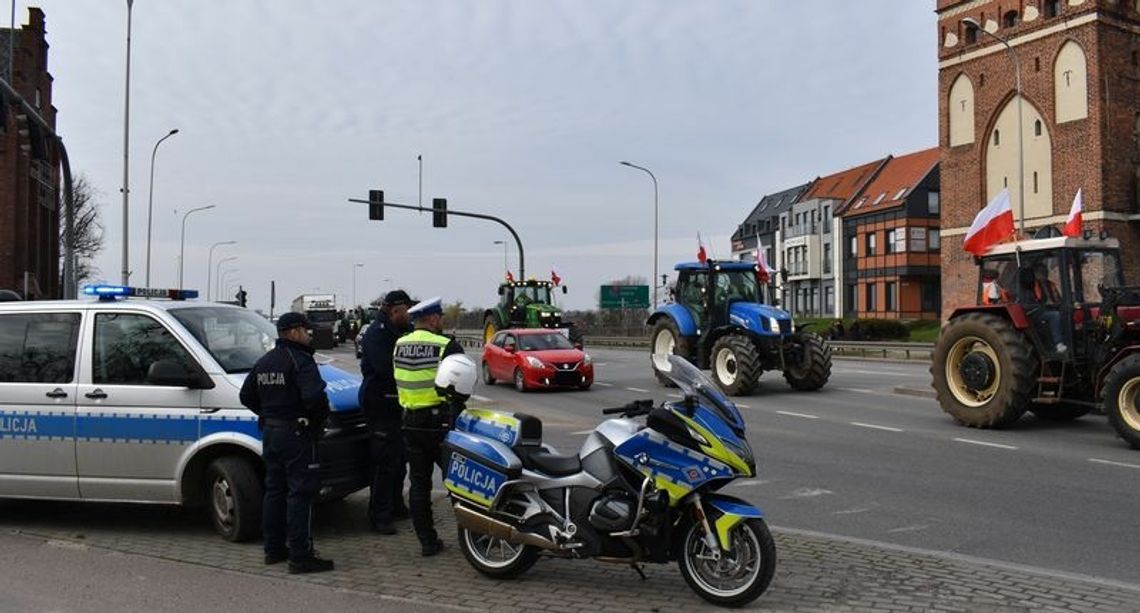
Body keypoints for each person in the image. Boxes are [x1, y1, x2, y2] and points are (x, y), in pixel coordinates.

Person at [238, 312, 334, 574]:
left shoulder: (265, 361)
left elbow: (246, 395)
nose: (309, 334)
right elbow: (314, 397)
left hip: (271, 433)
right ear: (293, 332)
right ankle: (301, 556)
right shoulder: (300, 359)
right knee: (301, 494)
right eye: (306, 330)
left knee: (274, 491)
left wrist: (269, 414)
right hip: (297, 435)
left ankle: (273, 550)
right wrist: (316, 422)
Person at [393, 296, 465, 556]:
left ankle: (427, 541)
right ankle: (472, 536)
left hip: (410, 421)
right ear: (433, 318)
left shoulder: (399, 344)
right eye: (440, 317)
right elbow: (462, 387)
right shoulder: (446, 345)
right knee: (459, 482)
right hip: (440, 422)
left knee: (419, 484)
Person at [357, 289, 415, 534]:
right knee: (384, 463)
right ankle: (379, 516)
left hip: (397, 403)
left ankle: (396, 505)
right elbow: (385, 367)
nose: (408, 316)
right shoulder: (377, 334)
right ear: (393, 310)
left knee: (400, 459)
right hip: (380, 402)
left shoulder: (402, 331)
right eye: (404, 311)